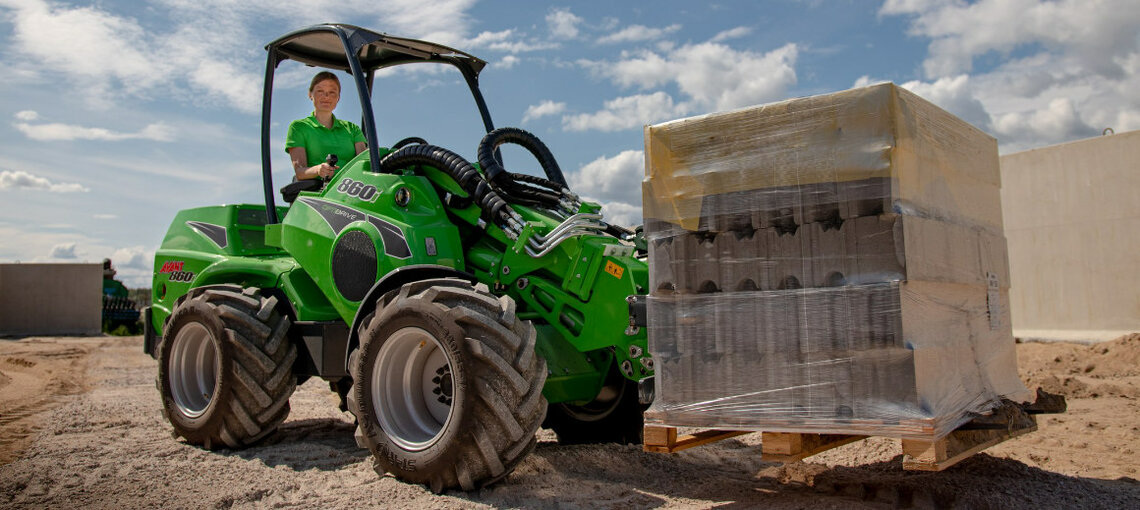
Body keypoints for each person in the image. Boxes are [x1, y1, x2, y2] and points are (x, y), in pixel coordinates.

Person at [285, 72, 367, 180]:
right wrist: (318, 169)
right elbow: (300, 172)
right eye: (320, 91)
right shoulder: (298, 127)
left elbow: (364, 163)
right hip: (318, 192)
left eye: (332, 92)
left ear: (338, 97)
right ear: (310, 94)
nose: (326, 96)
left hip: (351, 189)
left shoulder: (352, 129)